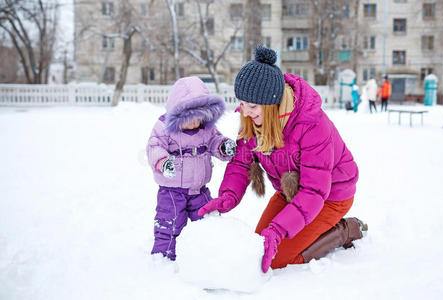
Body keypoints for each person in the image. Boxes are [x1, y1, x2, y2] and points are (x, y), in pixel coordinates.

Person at [198, 46, 367, 273]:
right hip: (290, 191)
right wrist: (229, 195)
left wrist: (278, 229)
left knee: (277, 261)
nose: (245, 112)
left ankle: (345, 230)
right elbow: (241, 162)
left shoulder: (312, 125)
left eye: (252, 106)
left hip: (330, 196)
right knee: (259, 248)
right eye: (242, 104)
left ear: (271, 104)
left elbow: (314, 192)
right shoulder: (254, 119)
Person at [147, 76, 236, 260]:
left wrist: (222, 146)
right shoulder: (164, 127)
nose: (196, 124)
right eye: (191, 119)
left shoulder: (206, 129)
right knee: (169, 224)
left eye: (200, 118)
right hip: (172, 192)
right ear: (179, 113)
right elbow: (154, 147)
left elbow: (214, 141)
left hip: (199, 191)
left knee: (207, 221)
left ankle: (207, 255)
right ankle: (163, 257)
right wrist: (163, 162)